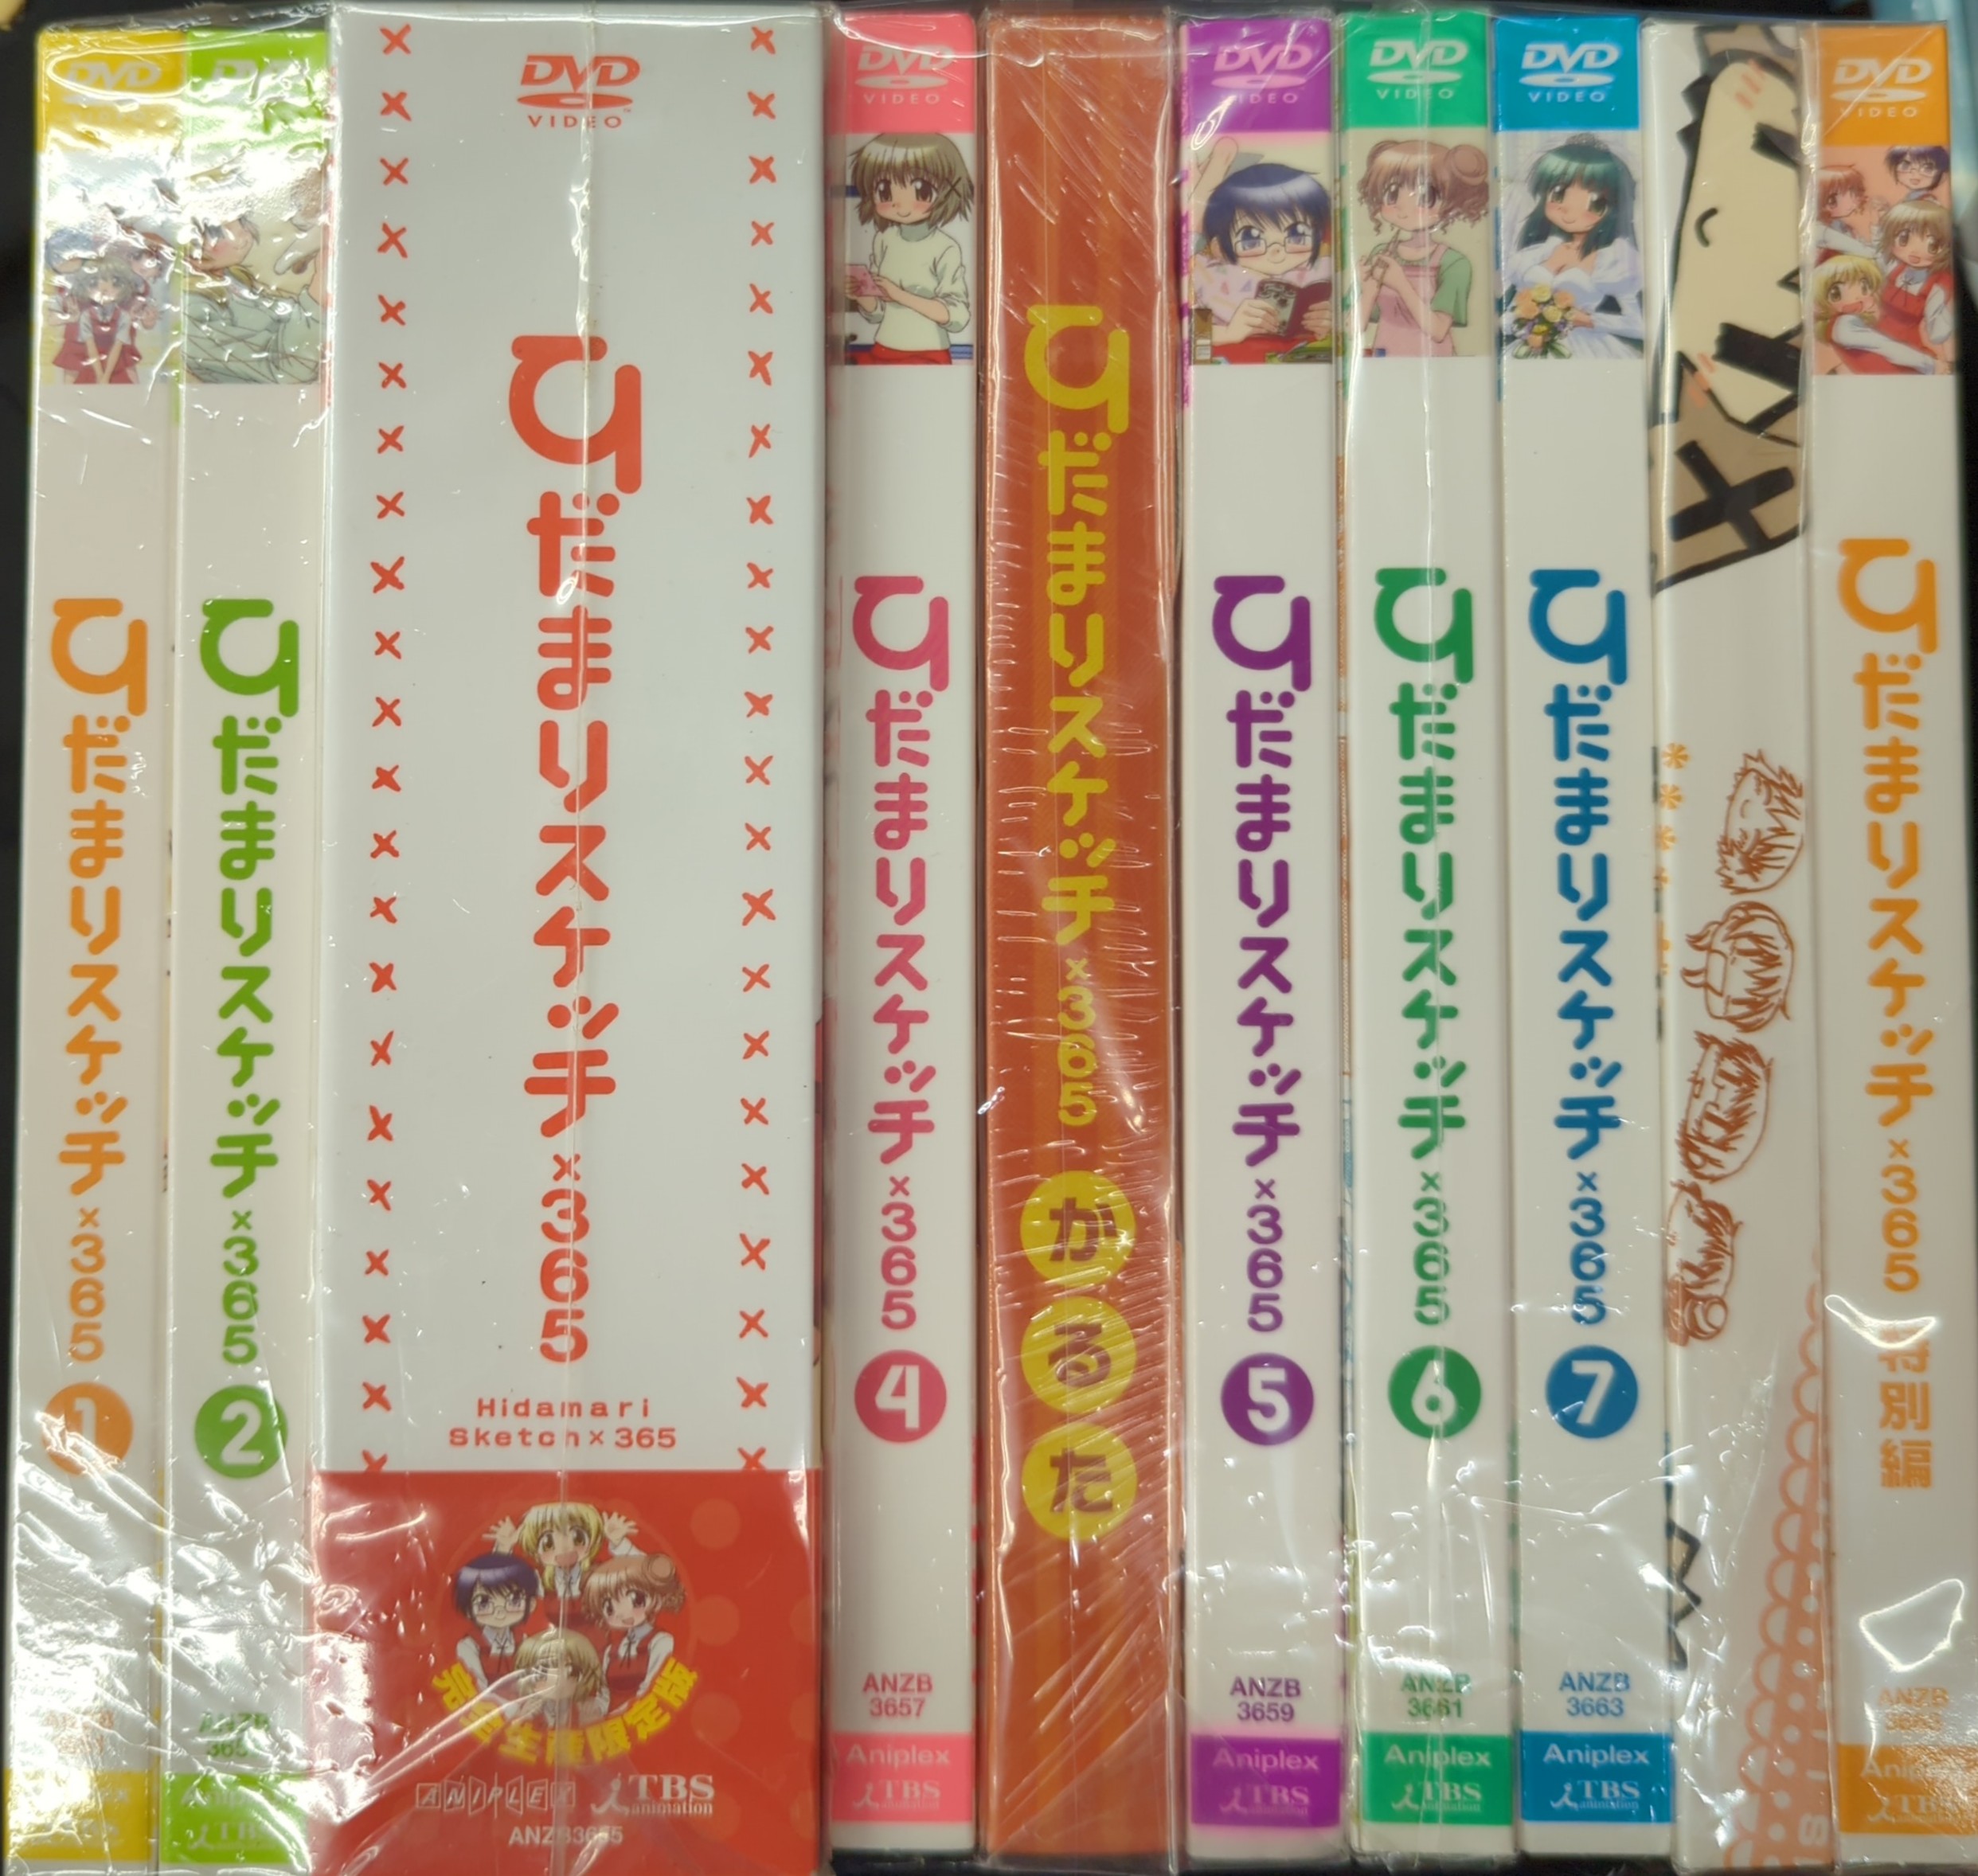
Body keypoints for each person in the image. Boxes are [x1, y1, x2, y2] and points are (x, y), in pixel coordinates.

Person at [1190, 139, 1332, 362]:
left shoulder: (1319, 272)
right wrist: (1229, 332)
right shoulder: (1210, 277)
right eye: (1251, 238)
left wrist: (1329, 324)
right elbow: (1184, 332)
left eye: (1297, 234)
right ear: (1220, 249)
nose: (1277, 251)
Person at [1501, 135, 1643, 358]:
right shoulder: (1537, 253)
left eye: (1595, 203)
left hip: (1587, 349)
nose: (1570, 211)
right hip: (1533, 347)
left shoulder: (1613, 259)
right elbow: (1511, 314)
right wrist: (1525, 324)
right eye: (1558, 194)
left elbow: (1639, 325)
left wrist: (1586, 320)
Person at [1354, 138, 1491, 358]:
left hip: (1434, 361)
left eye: (1426, 197)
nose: (1403, 207)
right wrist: (1367, 289)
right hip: (1385, 358)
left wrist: (1401, 284)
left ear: (1454, 201)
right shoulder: (1381, 253)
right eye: (1392, 194)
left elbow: (1438, 331)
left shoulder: (1454, 262)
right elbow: (1354, 329)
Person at [846, 131, 972, 363]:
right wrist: (863, 295)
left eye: (921, 190)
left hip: (928, 352)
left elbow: (957, 316)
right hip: (883, 348)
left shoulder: (945, 247)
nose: (900, 204)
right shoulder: (884, 239)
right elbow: (878, 313)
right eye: (884, 190)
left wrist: (899, 295)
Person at [581, 1553, 686, 1710]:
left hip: (644, 1717)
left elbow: (651, 1690)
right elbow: (603, 1696)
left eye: (637, 1599)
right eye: (610, 1607)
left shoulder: (661, 1642)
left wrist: (620, 1716)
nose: (623, 1614)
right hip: (613, 1722)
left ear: (658, 1598)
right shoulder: (611, 1651)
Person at [1813, 255, 1938, 376]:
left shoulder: (1854, 322)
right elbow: (1890, 348)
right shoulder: (1844, 324)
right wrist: (1932, 365)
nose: (1857, 297)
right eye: (1836, 294)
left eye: (1864, 287)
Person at [1874, 197, 1956, 368]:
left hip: (1907, 347)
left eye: (1932, 244)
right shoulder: (1895, 268)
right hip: (1877, 337)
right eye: (1904, 238)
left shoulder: (1938, 283)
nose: (1915, 251)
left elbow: (1938, 333)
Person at [451, 1552, 540, 1690]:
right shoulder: (469, 1646)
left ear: (531, 1604)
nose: (500, 1611)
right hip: (485, 1703)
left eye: (514, 1600)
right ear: (469, 1609)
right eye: (483, 1602)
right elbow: (477, 1687)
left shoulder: (524, 1641)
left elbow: (533, 1680)